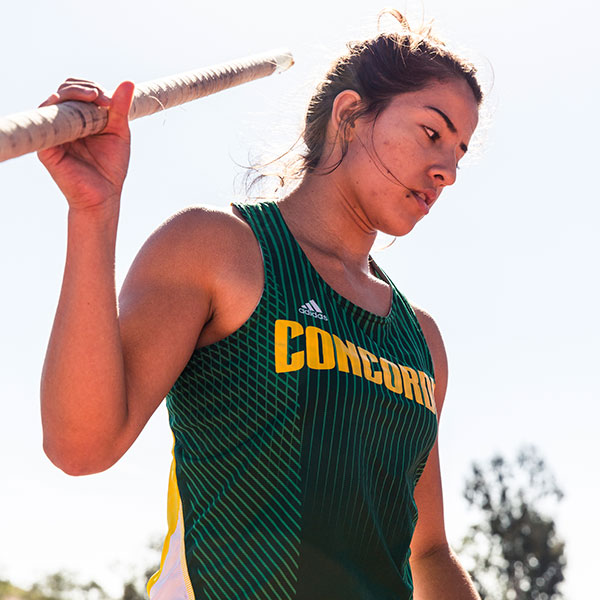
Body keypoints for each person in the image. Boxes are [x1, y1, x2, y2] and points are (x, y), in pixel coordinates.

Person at [39, 10, 483, 600]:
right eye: (433, 133)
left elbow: (427, 552)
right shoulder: (219, 249)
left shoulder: (419, 339)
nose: (446, 171)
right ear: (350, 115)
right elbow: (80, 445)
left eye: (459, 152)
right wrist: (93, 212)